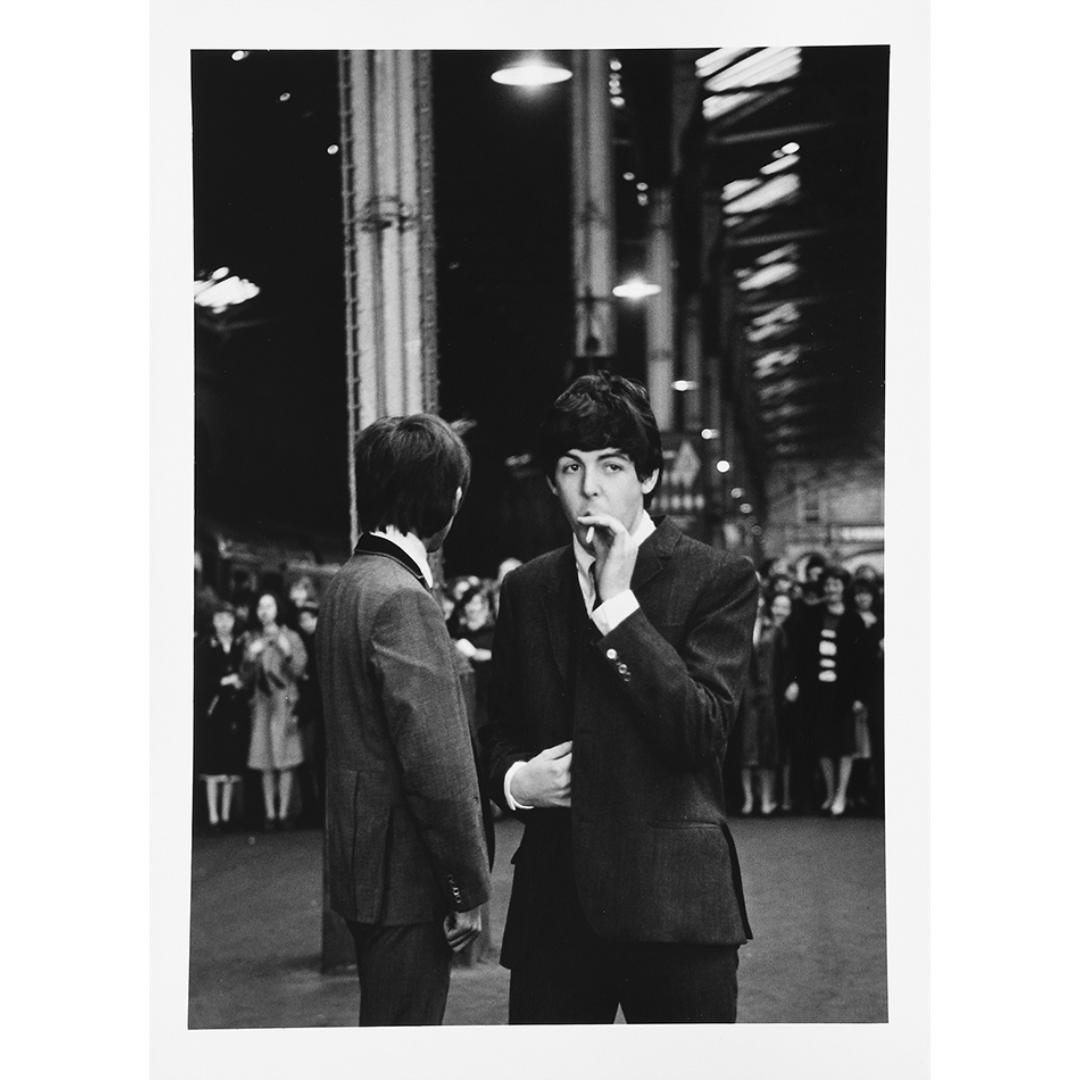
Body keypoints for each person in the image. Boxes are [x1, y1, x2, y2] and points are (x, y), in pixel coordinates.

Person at [482, 371, 758, 1024]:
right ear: (553, 480)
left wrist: (618, 606)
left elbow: (704, 730)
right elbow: (496, 730)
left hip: (678, 907)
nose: (590, 486)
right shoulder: (528, 589)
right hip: (555, 909)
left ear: (649, 478)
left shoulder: (718, 578)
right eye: (571, 467)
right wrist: (518, 780)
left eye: (612, 465)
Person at [316, 413, 493, 1027]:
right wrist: (466, 887)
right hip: (407, 881)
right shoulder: (402, 597)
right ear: (442, 498)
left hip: (362, 866)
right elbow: (437, 764)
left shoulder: (348, 584)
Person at [786, 565, 866, 816]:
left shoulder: (854, 619)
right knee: (822, 744)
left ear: (844, 588)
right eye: (828, 584)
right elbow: (799, 653)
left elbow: (860, 663)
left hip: (843, 692)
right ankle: (830, 793)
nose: (831, 589)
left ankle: (841, 795)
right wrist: (796, 681)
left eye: (836, 584)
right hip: (816, 690)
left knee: (844, 746)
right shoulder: (811, 614)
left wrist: (858, 696)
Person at [243, 591, 308, 830]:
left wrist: (287, 651)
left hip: (285, 699)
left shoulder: (291, 636)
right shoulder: (252, 639)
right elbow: (245, 678)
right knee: (265, 759)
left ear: (278, 609)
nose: (264, 611)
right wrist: (251, 656)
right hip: (262, 703)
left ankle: (284, 813)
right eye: (261, 606)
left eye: (269, 606)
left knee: (286, 758)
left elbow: (300, 670)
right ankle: (270, 814)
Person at [193, 599, 250, 833]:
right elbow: (201, 679)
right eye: (219, 619)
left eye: (228, 619)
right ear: (213, 622)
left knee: (229, 766)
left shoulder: (239, 645)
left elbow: (247, 673)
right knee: (213, 766)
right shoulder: (206, 646)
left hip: (234, 712)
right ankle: (214, 816)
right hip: (214, 712)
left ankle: (226, 816)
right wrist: (224, 682)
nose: (224, 623)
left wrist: (241, 682)